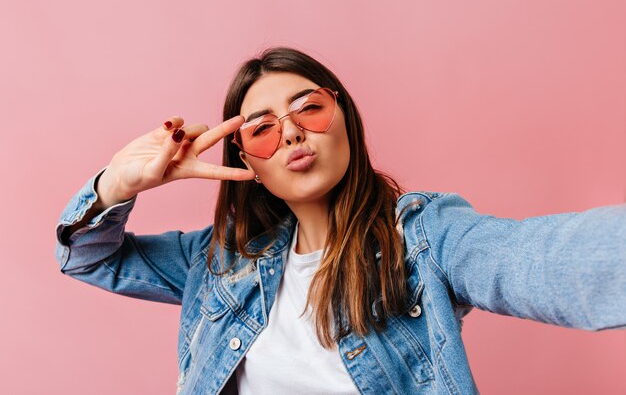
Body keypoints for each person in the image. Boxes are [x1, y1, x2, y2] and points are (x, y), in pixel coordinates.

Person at [54, 46, 626, 395]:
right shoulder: (222, 262)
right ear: (246, 160)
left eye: (309, 108)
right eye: (262, 127)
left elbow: (543, 258)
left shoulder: (427, 239)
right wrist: (118, 184)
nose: (294, 132)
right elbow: (87, 257)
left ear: (344, 118)